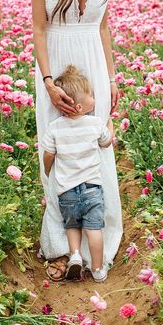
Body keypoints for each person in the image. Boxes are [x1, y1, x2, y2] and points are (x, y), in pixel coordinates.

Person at [30, 0, 134, 281]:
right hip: (56, 63)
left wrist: (110, 77)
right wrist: (47, 81)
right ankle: (61, 245)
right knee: (58, 148)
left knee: (96, 147)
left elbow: (103, 27)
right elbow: (39, 29)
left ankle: (98, 240)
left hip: (93, 61)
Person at [42, 65, 115, 282]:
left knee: (72, 225)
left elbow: (48, 154)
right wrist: (110, 124)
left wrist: (48, 172)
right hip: (92, 188)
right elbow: (106, 142)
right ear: (82, 105)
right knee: (94, 229)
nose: (95, 97)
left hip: (67, 191)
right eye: (92, 95)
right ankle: (98, 268)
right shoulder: (94, 124)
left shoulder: (55, 127)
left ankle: (74, 255)